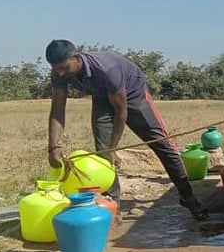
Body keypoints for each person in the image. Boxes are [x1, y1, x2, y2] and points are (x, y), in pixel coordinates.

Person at [45, 40, 208, 220]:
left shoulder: (107, 70)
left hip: (133, 93)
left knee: (162, 144)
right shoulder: (59, 73)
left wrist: (114, 148)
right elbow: (57, 109)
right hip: (101, 96)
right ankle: (112, 206)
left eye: (64, 67)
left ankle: (188, 197)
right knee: (103, 153)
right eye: (56, 68)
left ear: (76, 58)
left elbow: (121, 112)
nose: (60, 72)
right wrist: (54, 147)